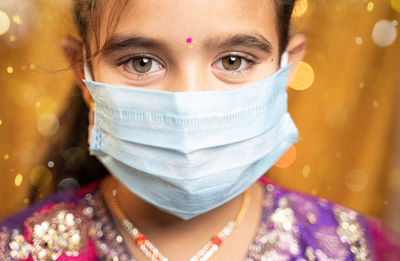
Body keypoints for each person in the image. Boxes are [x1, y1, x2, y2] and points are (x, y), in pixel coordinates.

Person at [1, 0, 399, 260]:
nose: (187, 101)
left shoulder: (356, 248)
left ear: (287, 66)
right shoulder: (21, 249)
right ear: (81, 72)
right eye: (141, 63)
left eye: (232, 60)